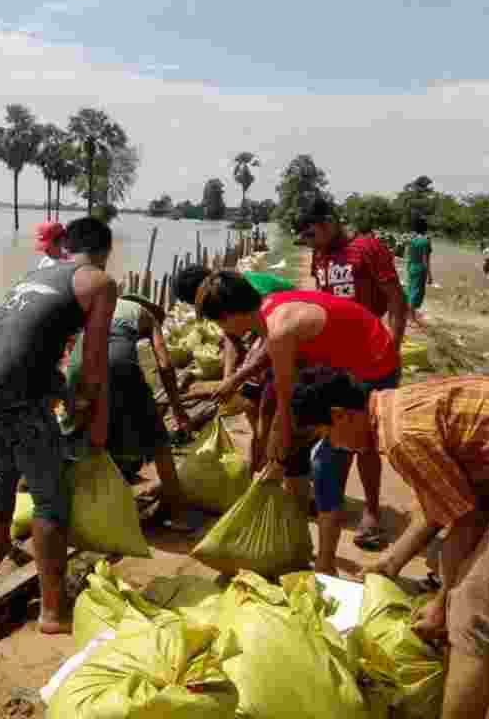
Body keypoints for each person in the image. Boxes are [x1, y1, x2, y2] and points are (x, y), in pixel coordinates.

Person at [291, 369, 489, 719]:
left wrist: (441, 603)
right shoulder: (392, 406)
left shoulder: (401, 437)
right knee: (455, 580)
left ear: (339, 415)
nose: (334, 446)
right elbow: (439, 503)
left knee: (469, 613)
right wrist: (391, 562)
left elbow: (464, 522)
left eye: (327, 435)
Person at [0, 216, 117, 635]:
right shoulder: (100, 282)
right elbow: (93, 361)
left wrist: (62, 393)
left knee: (3, 465)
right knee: (51, 499)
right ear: (105, 252)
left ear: (66, 247)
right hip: (15, 395)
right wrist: (88, 407)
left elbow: (26, 341)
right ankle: (52, 611)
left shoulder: (38, 275)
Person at [194, 273, 399, 574]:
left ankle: (326, 563)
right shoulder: (268, 311)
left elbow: (286, 399)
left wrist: (279, 446)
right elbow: (277, 376)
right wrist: (279, 444)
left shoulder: (280, 328)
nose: (222, 330)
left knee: (329, 460)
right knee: (296, 445)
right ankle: (299, 539)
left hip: (373, 365)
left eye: (219, 322)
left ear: (230, 315)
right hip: (341, 362)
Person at [298, 197, 408, 549]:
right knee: (336, 433)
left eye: (312, 234)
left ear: (329, 222)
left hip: (373, 359)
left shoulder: (367, 248)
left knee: (367, 440)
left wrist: (392, 347)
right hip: (337, 361)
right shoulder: (320, 255)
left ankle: (372, 511)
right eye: (305, 237)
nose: (310, 242)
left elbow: (396, 301)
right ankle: (333, 503)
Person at [66, 292, 198, 531]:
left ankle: (91, 515)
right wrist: (178, 410)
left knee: (92, 439)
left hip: (77, 367)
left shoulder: (99, 308)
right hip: (115, 362)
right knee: (158, 442)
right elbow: (165, 363)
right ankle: (178, 514)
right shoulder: (147, 316)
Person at [173, 264, 297, 479]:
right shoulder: (226, 298)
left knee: (270, 407)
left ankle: (273, 459)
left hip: (289, 334)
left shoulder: (248, 294)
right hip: (270, 337)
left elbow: (271, 346)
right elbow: (231, 337)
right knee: (256, 403)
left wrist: (235, 379)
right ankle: (263, 457)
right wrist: (228, 379)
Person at [406, 216, 433, 326]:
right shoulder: (425, 242)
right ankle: (411, 319)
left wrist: (409, 267)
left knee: (411, 291)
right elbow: (425, 260)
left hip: (411, 267)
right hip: (420, 269)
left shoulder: (412, 240)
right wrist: (430, 275)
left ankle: (410, 316)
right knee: (416, 293)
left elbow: (408, 255)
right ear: (425, 228)